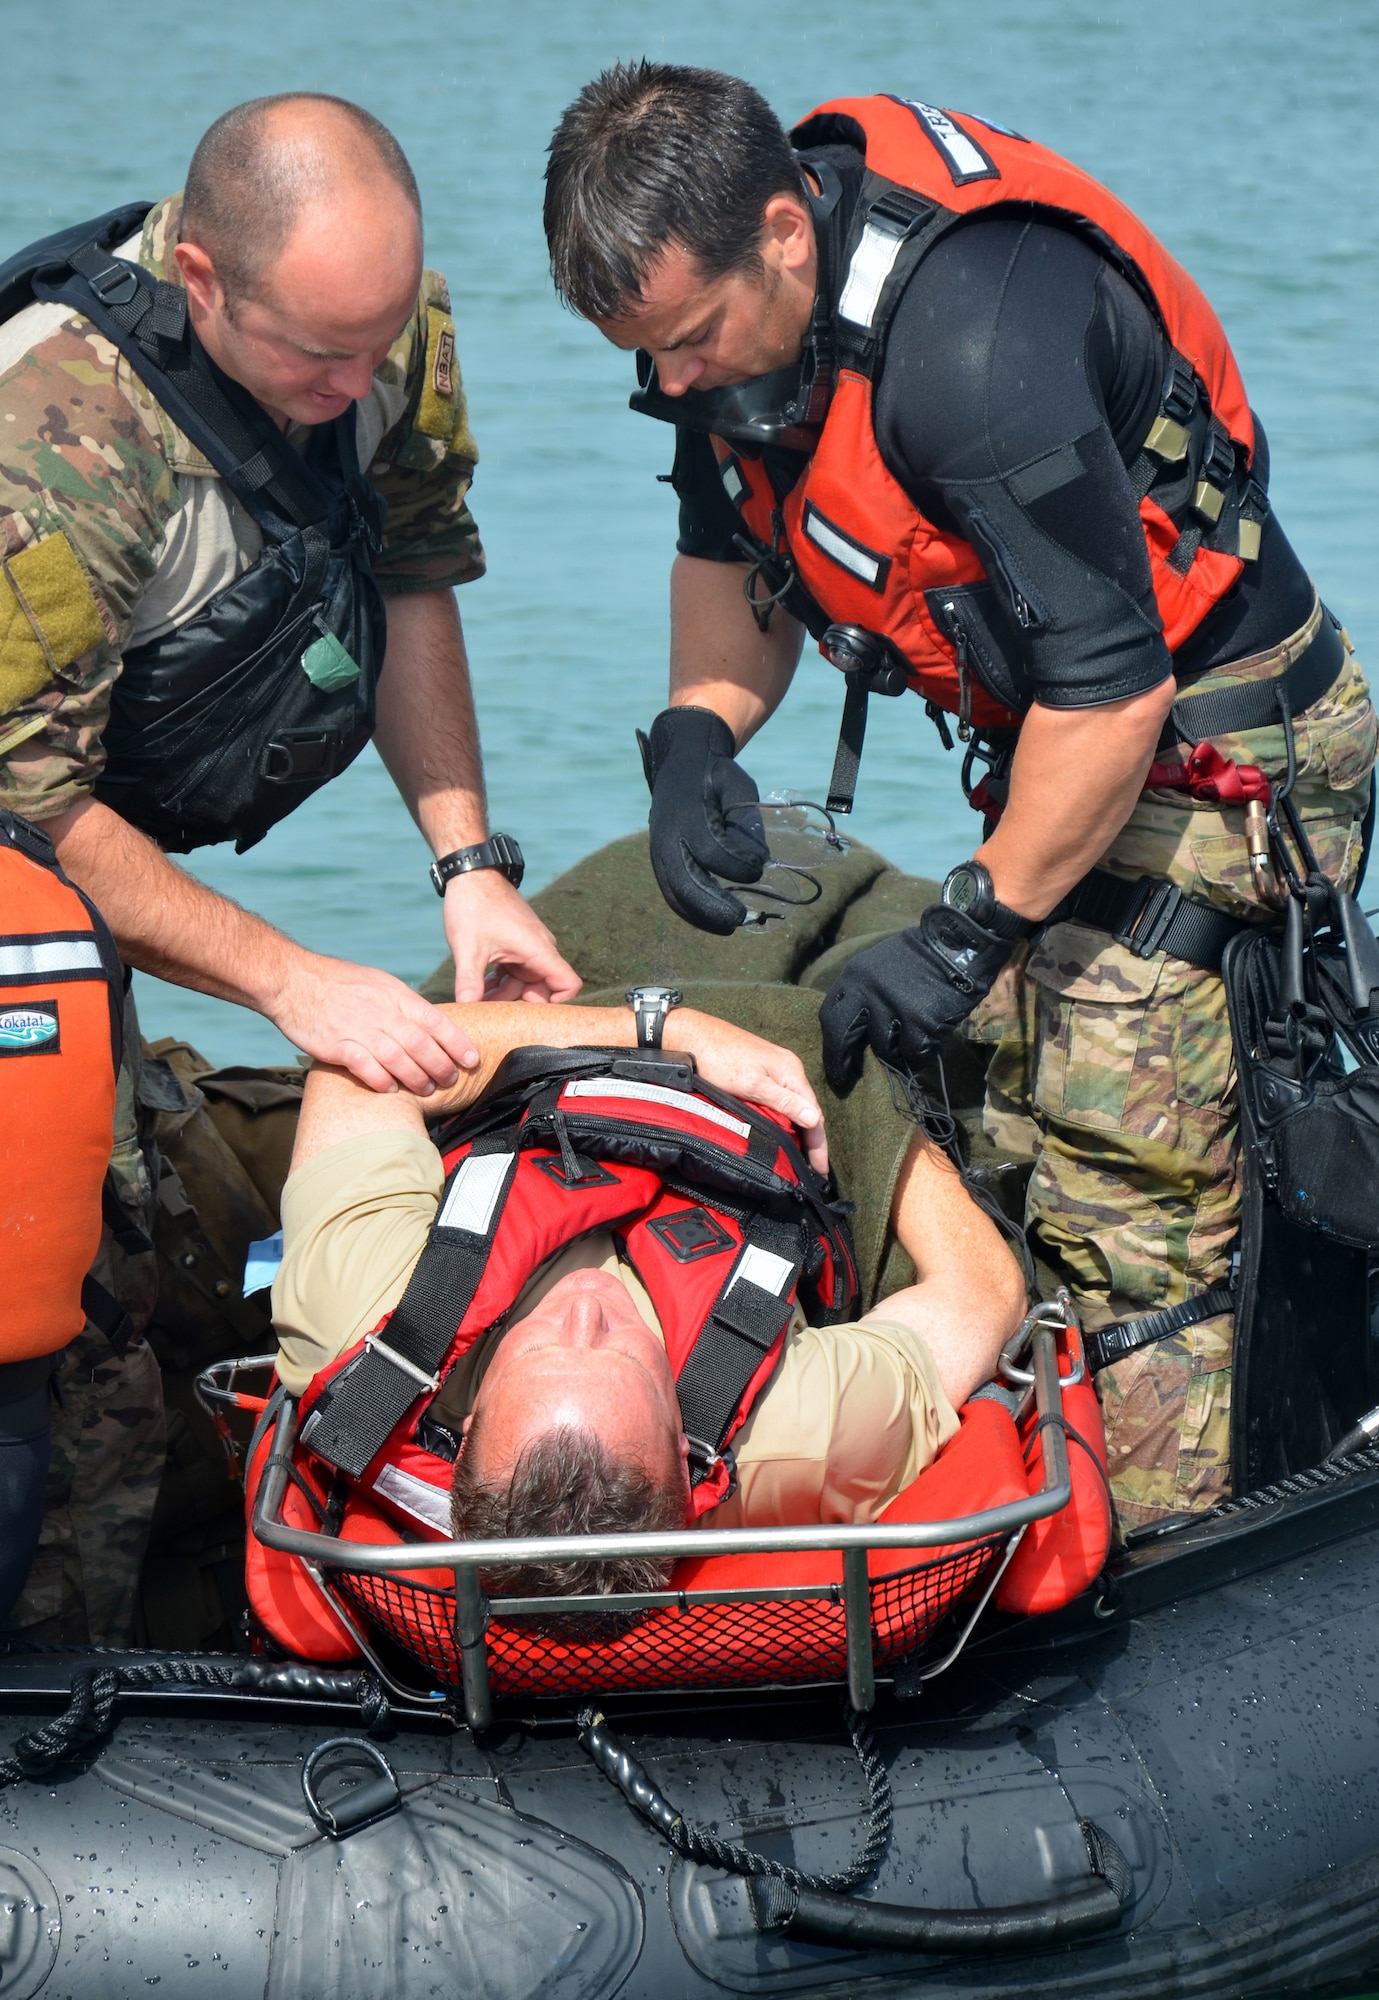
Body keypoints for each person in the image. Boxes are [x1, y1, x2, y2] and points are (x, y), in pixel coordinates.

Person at [540, 64, 1377, 1528]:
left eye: (684, 344)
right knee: (984, 1102)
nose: (674, 386)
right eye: (643, 359)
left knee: (1126, 1157)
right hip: (1063, 741)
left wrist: (962, 934)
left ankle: (1175, 1551)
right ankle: (1013, 1441)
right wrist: (693, 739)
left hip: (1217, 743)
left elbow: (1111, 693)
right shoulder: (721, 334)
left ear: (785, 236)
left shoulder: (973, 347)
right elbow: (732, 555)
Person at [0, 91, 578, 1090]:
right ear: (202, 282)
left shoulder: (377, 332)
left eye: (378, 339)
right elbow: (31, 805)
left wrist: (469, 866)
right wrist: (293, 982)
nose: (357, 386)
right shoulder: (54, 448)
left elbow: (409, 566)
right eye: (316, 353)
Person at [272, 992, 1027, 1591]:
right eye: (618, 1352)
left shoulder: (361, 1320)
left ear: (461, 1431)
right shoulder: (795, 1434)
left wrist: (653, 1025)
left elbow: (358, 1062)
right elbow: (984, 1289)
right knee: (873, 999)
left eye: (538, 1347)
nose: (584, 1309)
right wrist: (878, 1130)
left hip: (550, 1047)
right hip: (784, 1076)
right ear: (681, 1443)